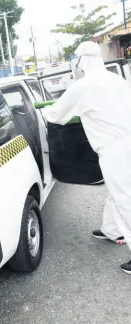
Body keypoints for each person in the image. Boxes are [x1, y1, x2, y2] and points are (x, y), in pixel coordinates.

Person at [43, 41, 131, 274]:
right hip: (127, 141)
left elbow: (57, 115)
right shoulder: (118, 80)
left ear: (82, 60)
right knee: (116, 193)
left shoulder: (83, 86)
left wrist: (41, 112)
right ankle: (111, 230)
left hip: (114, 149)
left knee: (124, 199)